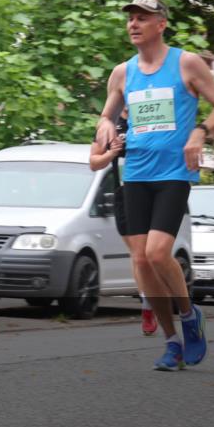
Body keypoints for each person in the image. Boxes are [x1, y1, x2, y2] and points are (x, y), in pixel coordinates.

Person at [96, 0, 214, 371]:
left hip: (174, 172)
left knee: (158, 253)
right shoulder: (122, 72)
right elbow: (106, 115)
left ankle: (190, 316)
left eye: (143, 18)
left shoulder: (185, 63)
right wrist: (106, 123)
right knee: (142, 260)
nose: (134, 24)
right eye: (131, 18)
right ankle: (171, 342)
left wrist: (200, 132)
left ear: (161, 24)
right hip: (136, 172)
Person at [89, 110, 158, 336]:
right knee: (139, 255)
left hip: (153, 191)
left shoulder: (153, 115)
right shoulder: (109, 125)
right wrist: (112, 153)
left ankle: (156, 297)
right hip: (125, 193)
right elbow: (94, 162)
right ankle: (148, 304)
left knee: (152, 254)